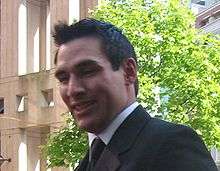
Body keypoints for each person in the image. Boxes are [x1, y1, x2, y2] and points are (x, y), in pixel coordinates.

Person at [53, 18, 218, 171]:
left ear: (129, 71)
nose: (73, 90)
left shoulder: (173, 145)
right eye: (63, 79)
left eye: (88, 71)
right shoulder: (87, 162)